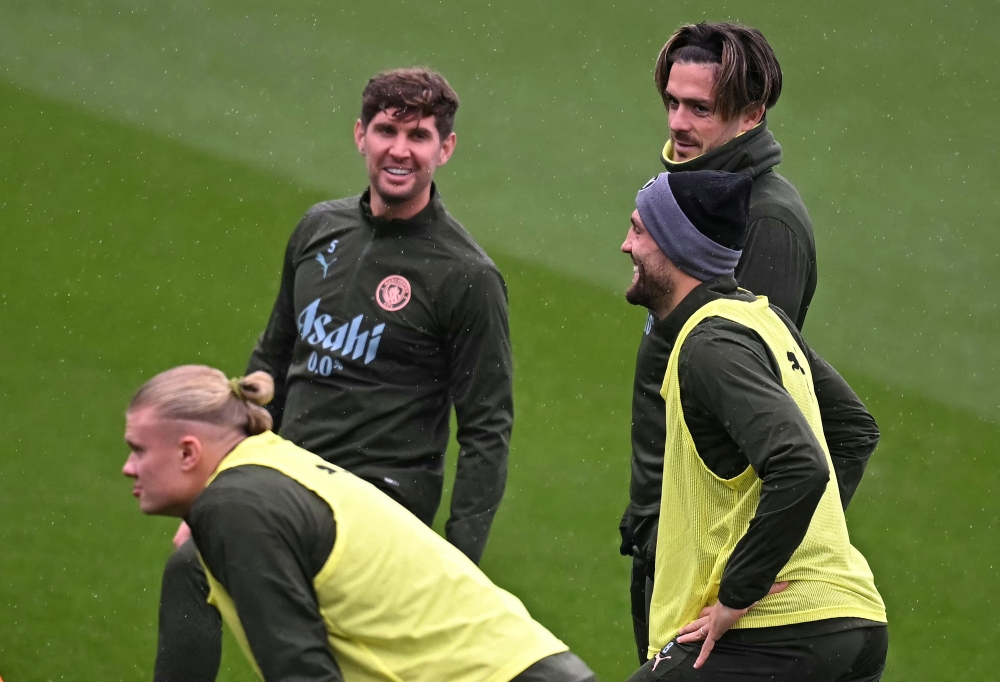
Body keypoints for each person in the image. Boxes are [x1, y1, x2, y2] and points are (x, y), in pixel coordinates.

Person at [157, 67, 513, 680]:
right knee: (194, 565)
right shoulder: (319, 230)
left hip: (383, 496)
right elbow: (270, 362)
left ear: (445, 149)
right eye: (386, 130)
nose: (400, 150)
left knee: (316, 642)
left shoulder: (467, 276)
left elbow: (486, 428)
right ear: (360, 135)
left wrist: (461, 559)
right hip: (292, 474)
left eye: (420, 135)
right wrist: (218, 490)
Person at [123, 366, 596, 682]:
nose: (129, 466)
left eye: (139, 449)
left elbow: (300, 671)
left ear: (188, 452)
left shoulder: (236, 506)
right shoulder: (270, 466)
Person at [620, 170, 887, 681]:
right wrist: (785, 551)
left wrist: (745, 585)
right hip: (852, 625)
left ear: (677, 247)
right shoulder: (761, 319)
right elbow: (853, 431)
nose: (625, 244)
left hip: (782, 633)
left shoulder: (709, 346)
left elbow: (801, 464)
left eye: (638, 230)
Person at [620, 22, 833, 660]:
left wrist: (750, 576)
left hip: (711, 567)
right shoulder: (697, 201)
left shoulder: (763, 221)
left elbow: (772, 415)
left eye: (700, 108)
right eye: (672, 102)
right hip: (670, 538)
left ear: (750, 115)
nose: (678, 123)